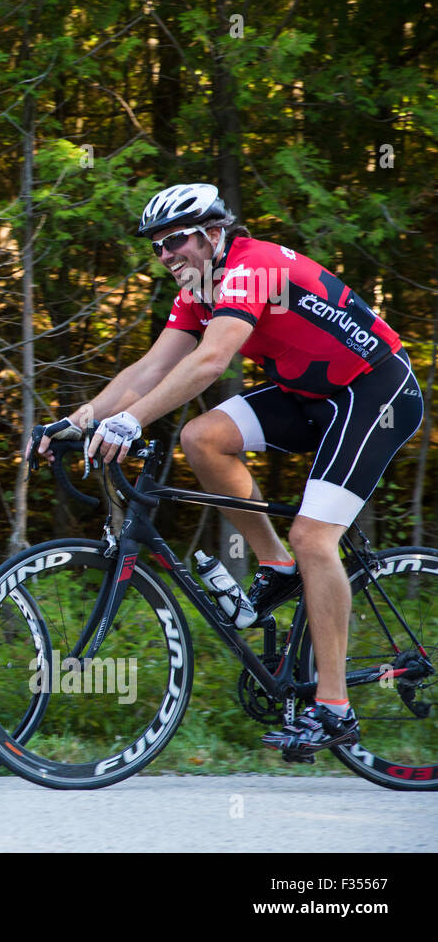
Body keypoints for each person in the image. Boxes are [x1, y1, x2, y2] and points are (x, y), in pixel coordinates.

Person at [34, 182, 423, 759]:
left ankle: (335, 709)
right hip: (309, 394)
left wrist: (131, 423)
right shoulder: (198, 288)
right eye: (158, 247)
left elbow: (211, 360)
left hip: (375, 393)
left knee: (315, 537)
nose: (167, 256)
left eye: (176, 241)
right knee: (203, 437)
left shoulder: (252, 267)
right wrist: (80, 420)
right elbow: (151, 367)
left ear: (214, 233)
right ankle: (275, 566)